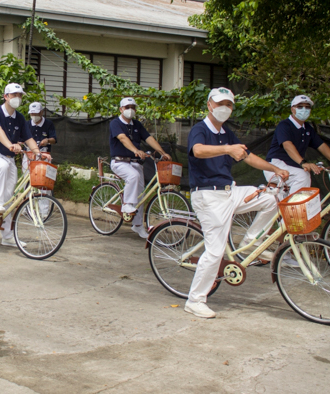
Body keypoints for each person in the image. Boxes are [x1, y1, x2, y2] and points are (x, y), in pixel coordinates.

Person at [184, 87, 290, 319]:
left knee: (271, 199)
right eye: (220, 103)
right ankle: (195, 300)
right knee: (215, 251)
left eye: (229, 104)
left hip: (229, 191)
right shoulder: (200, 129)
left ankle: (251, 242)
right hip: (208, 196)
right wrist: (227, 149)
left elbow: (248, 156)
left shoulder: (227, 133)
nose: (225, 108)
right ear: (209, 104)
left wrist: (275, 169)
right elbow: (198, 151)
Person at [0, 83, 41, 247]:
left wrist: (38, 153)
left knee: (10, 199)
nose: (17, 98)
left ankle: (7, 237)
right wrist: (10, 145)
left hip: (9, 159)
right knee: (2, 166)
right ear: (6, 97)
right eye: (14, 95)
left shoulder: (20, 118)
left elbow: (28, 138)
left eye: (20, 95)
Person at [109, 97, 172, 238]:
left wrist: (163, 152)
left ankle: (137, 225)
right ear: (121, 109)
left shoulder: (137, 124)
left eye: (133, 107)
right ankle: (127, 204)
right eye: (127, 107)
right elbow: (123, 138)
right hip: (120, 162)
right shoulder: (115, 123)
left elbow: (149, 138)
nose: (130, 110)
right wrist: (135, 150)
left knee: (141, 195)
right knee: (133, 176)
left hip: (135, 163)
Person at [264, 95, 330, 197]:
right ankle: (293, 210)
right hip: (275, 166)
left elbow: (321, 145)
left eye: (307, 107)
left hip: (291, 169)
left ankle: (290, 207)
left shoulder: (307, 128)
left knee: (281, 200)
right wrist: (303, 163)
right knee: (303, 176)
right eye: (300, 106)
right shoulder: (284, 125)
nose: (304, 109)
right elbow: (287, 145)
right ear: (292, 109)